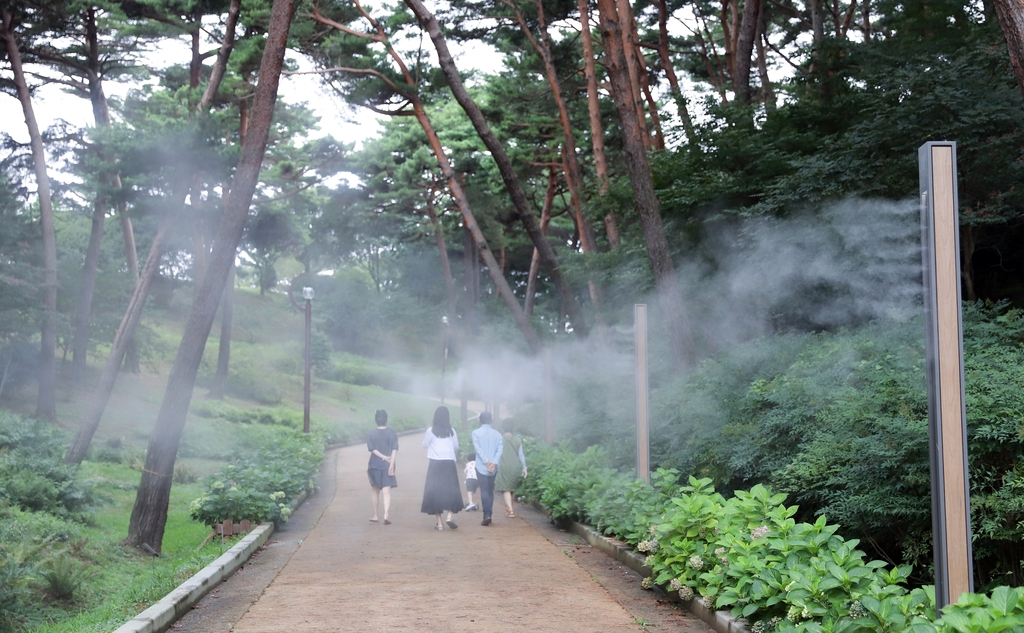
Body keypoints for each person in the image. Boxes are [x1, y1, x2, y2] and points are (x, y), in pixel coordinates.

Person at [420, 406, 464, 530]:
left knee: (434, 492)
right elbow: (456, 446)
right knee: (451, 490)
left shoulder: (430, 431)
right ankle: (449, 516)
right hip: (449, 463)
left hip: (435, 464)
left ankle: (439, 524)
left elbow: (425, 445)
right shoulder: (452, 431)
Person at [471, 411, 503, 526]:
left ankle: (487, 515)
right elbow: (500, 450)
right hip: (493, 468)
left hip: (481, 466)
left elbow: (478, 449)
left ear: (480, 420)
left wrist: (486, 462)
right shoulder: (498, 434)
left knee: (484, 490)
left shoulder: (475, 433)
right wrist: (493, 463)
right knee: (490, 490)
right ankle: (489, 514)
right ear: (491, 420)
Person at [366, 409, 398, 524]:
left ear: (376, 420)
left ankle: (375, 515)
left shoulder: (371, 433)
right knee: (387, 492)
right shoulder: (392, 433)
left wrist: (383, 457)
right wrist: (391, 464)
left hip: (374, 464)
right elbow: (394, 450)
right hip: (387, 466)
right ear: (386, 419)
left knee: (375, 491)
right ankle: (386, 514)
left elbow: (372, 449)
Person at [495, 418, 527, 518]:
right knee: (512, 488)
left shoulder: (499, 439)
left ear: (503, 427)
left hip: (504, 465)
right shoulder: (518, 440)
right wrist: (524, 467)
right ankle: (509, 509)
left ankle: (511, 510)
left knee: (506, 489)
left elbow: (497, 454)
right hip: (515, 466)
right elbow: (521, 455)